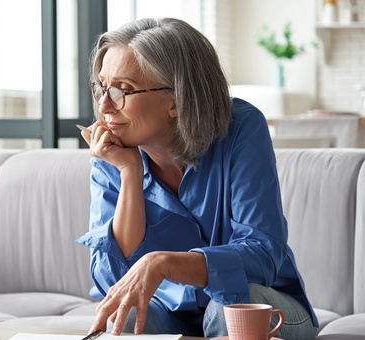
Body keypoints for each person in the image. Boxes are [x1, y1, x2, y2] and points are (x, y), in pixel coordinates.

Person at [75, 17, 318, 339]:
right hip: (169, 310)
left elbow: (262, 254)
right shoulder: (113, 151)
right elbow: (112, 280)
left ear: (176, 99)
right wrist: (129, 173)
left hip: (262, 304)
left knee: (227, 307)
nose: (105, 106)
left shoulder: (241, 128)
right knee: (126, 314)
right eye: (101, 87)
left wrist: (162, 263)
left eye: (123, 90)